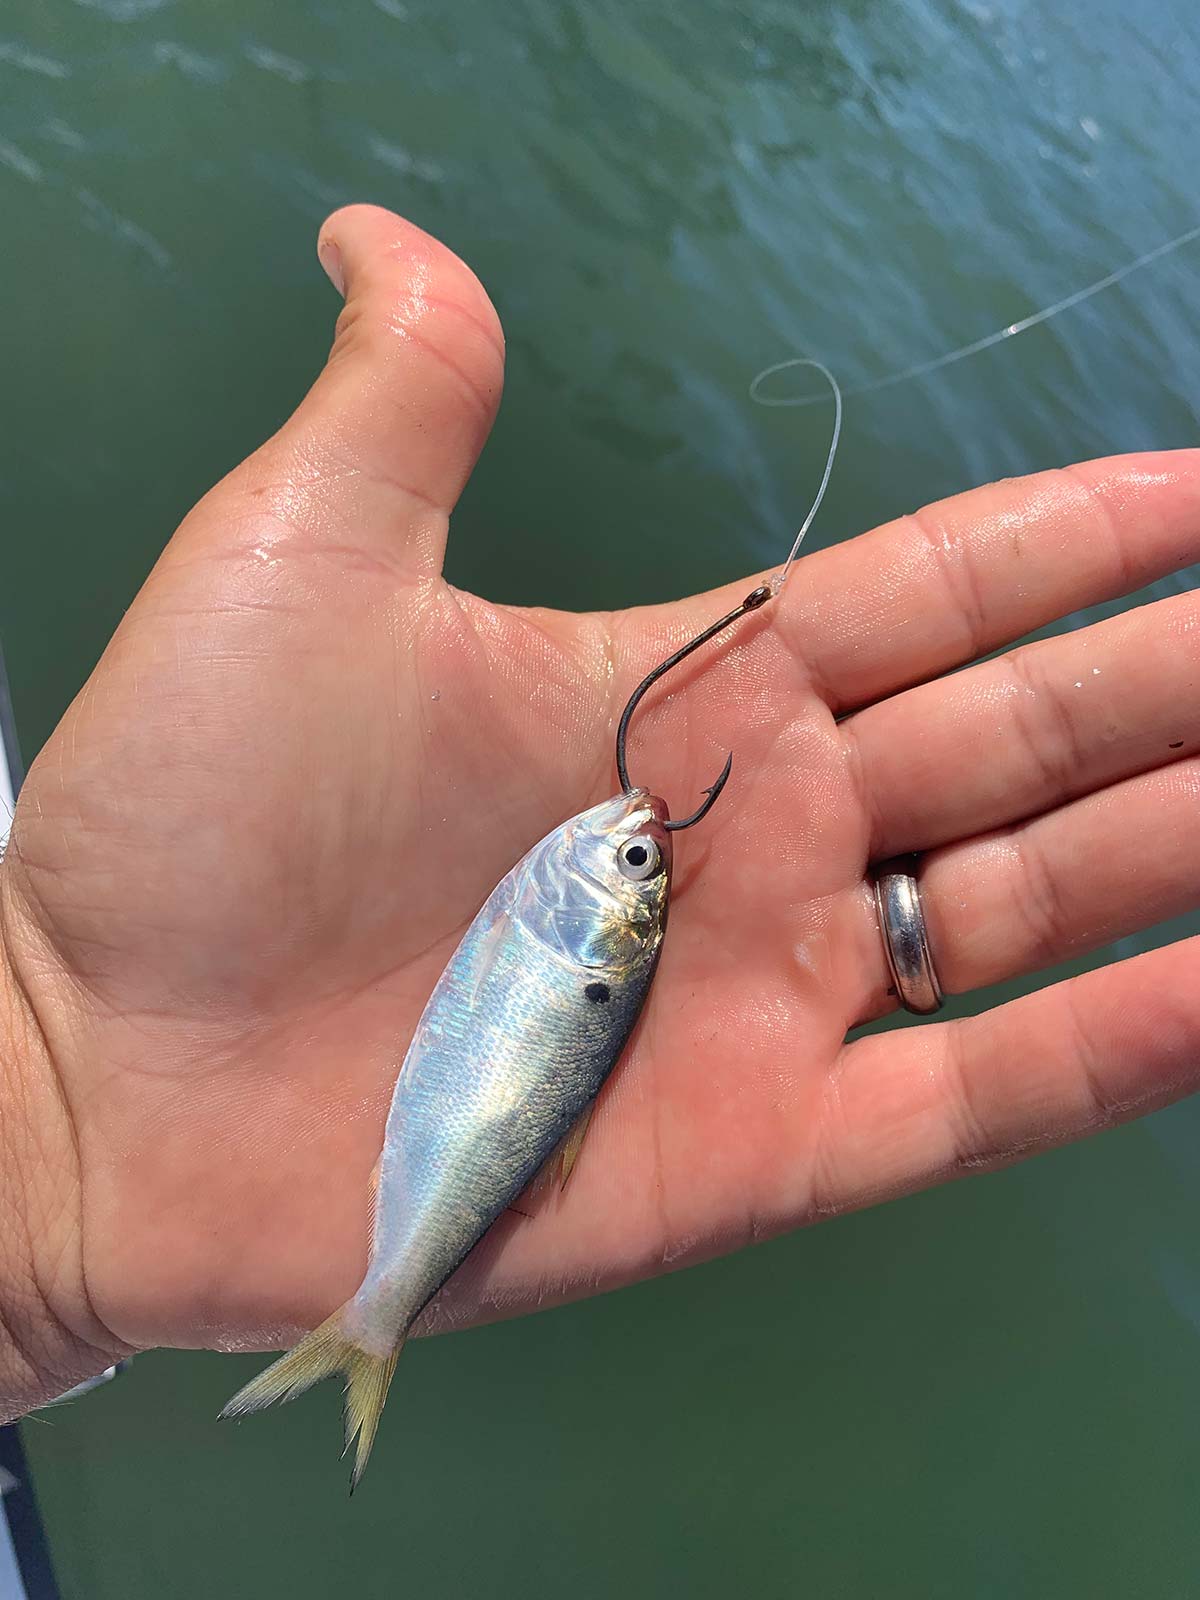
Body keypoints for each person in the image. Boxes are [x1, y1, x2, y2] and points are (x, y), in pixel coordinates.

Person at [1, 205, 1197, 1420]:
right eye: (643, 859)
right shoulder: (580, 912)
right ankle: (374, 1315)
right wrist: (50, 1096)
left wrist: (51, 1129)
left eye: (638, 857)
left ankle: (375, 1319)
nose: (637, 835)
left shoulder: (577, 906)